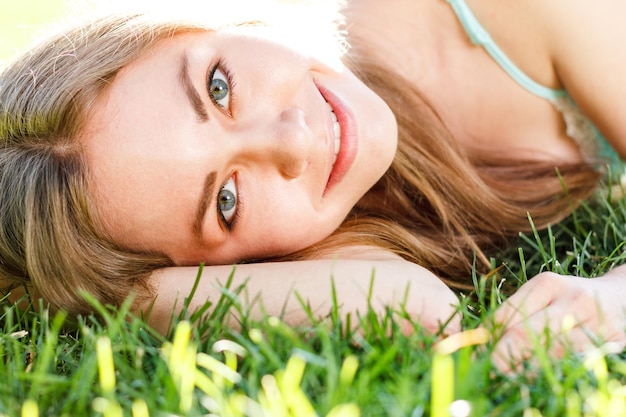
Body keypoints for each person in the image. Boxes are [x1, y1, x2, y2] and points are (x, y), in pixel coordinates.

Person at [1, 0, 625, 361]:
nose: (294, 141)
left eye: (219, 87)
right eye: (225, 201)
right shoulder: (333, 228)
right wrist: (101, 291)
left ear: (192, 26)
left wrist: (612, 297)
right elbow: (411, 307)